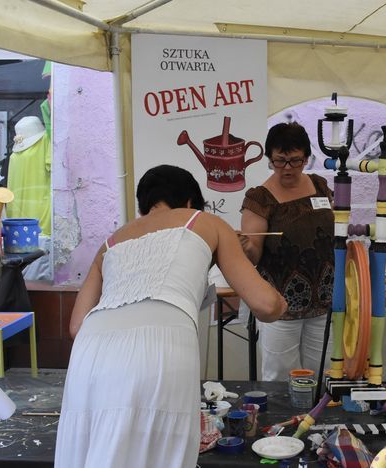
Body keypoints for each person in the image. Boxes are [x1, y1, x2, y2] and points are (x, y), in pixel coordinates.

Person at [54, 165, 287, 468]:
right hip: (161, 343)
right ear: (190, 202)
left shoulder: (110, 242)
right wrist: (283, 304)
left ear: (144, 206)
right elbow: (266, 305)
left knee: (95, 451)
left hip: (90, 352)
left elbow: (76, 326)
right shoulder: (206, 222)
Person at [240, 122, 334, 382]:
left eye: (295, 160)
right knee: (281, 378)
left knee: (325, 374)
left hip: (323, 301)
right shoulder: (259, 199)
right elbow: (253, 256)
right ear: (270, 159)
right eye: (280, 161)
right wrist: (245, 246)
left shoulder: (320, 185)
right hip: (280, 306)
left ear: (306, 158)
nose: (288, 168)